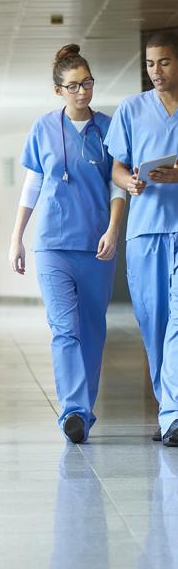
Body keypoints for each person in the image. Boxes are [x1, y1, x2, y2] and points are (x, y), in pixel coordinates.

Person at [8, 44, 126, 443]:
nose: (82, 92)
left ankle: (84, 411)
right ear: (58, 90)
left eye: (88, 83)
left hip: (97, 245)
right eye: (73, 86)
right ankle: (73, 411)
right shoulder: (43, 127)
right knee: (64, 329)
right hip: (53, 244)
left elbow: (117, 183)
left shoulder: (109, 128)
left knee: (92, 329)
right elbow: (34, 183)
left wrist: (113, 230)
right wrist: (17, 236)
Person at [105, 30, 178, 447]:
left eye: (164, 62)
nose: (156, 71)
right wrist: (128, 183)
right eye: (150, 64)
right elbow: (116, 167)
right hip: (146, 231)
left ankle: (173, 415)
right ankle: (169, 407)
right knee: (154, 324)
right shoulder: (132, 109)